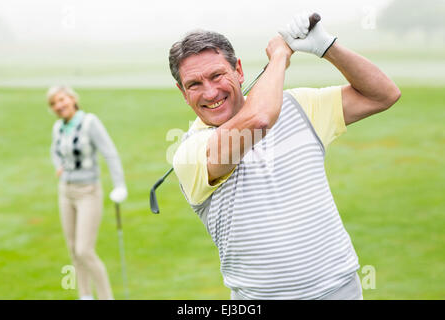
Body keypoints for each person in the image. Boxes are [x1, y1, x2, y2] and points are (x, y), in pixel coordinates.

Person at [169, 12, 401, 300]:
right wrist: (279, 56)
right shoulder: (190, 153)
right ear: (182, 92)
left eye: (217, 75)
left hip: (340, 291)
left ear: (238, 71)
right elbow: (259, 121)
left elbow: (383, 94)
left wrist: (327, 46)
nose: (210, 92)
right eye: (194, 84)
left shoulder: (300, 106)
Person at [48, 86, 128, 300]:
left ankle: (105, 297)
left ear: (73, 99)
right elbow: (54, 151)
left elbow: (110, 153)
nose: (59, 106)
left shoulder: (89, 122)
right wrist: (59, 165)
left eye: (62, 100)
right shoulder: (58, 127)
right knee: (73, 250)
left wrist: (119, 185)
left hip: (88, 192)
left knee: (85, 250)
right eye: (54, 103)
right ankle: (85, 295)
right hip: (65, 191)